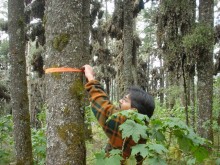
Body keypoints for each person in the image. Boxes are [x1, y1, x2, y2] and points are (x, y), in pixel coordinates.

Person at [83, 64, 155, 165]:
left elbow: (103, 107)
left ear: (133, 110)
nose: (120, 101)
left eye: (125, 100)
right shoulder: (143, 128)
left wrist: (90, 77)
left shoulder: (124, 124)